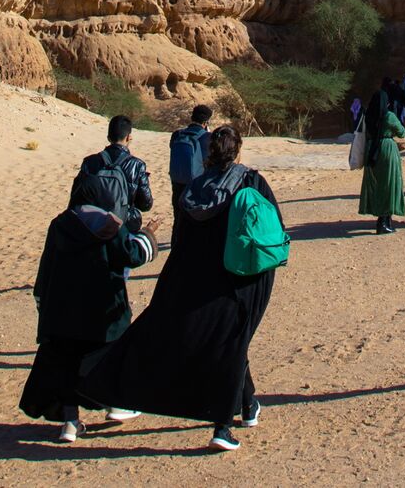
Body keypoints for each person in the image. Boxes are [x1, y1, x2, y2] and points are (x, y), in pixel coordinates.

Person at [80, 126, 280, 452]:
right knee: (231, 341)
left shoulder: (193, 190)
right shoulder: (251, 181)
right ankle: (222, 427)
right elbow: (271, 227)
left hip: (197, 276)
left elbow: (183, 240)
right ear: (238, 151)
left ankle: (247, 404)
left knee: (220, 339)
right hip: (240, 277)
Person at [20, 197, 161, 442]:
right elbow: (132, 256)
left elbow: (47, 266)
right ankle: (117, 406)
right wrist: (148, 234)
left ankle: (70, 424)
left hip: (63, 313)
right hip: (101, 314)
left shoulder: (60, 224)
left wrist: (43, 302)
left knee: (65, 366)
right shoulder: (109, 225)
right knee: (110, 359)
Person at [75, 115, 153, 234]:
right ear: (128, 137)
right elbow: (145, 204)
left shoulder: (89, 162)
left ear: (108, 137)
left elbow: (76, 199)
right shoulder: (137, 165)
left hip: (93, 226)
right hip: (124, 227)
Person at [358, 90, 405, 234]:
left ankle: (383, 218)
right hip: (386, 150)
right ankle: (384, 221)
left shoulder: (367, 116)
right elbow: (402, 132)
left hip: (371, 151)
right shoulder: (389, 116)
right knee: (389, 184)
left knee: (376, 184)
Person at [168, 105, 212, 240]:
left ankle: (175, 245)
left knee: (178, 217)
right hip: (196, 184)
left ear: (192, 117)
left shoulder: (177, 134)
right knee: (195, 219)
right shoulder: (207, 137)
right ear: (206, 122)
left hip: (177, 181)